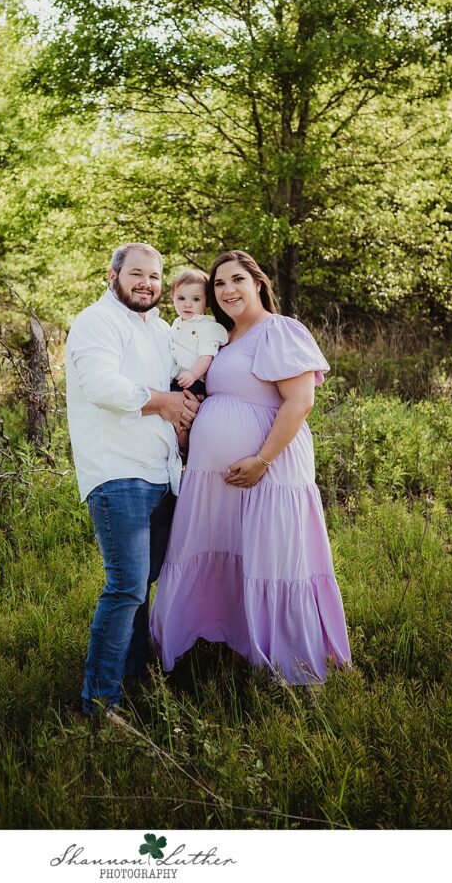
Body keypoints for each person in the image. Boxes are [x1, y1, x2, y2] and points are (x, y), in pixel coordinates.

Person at [150, 250, 352, 685]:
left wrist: (262, 460)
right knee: (233, 555)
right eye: (219, 284)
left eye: (237, 279)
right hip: (215, 480)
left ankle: (286, 663)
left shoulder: (279, 330)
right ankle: (233, 648)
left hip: (269, 472)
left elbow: (300, 402)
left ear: (258, 283)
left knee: (270, 560)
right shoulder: (223, 338)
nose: (228, 290)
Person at [65, 242, 200, 715]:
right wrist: (165, 403)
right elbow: (101, 386)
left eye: (154, 276)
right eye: (137, 274)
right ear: (113, 276)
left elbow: (181, 384)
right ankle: (99, 703)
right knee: (125, 587)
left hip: (162, 474)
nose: (146, 283)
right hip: (118, 473)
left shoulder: (161, 329)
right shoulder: (96, 322)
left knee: (143, 586)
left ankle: (138, 679)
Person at [169, 269, 228, 398]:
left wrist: (193, 374)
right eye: (181, 298)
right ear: (173, 297)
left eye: (196, 299)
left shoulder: (208, 326)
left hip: (194, 381)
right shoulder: (176, 323)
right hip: (175, 379)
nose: (187, 304)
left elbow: (206, 356)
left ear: (207, 302)